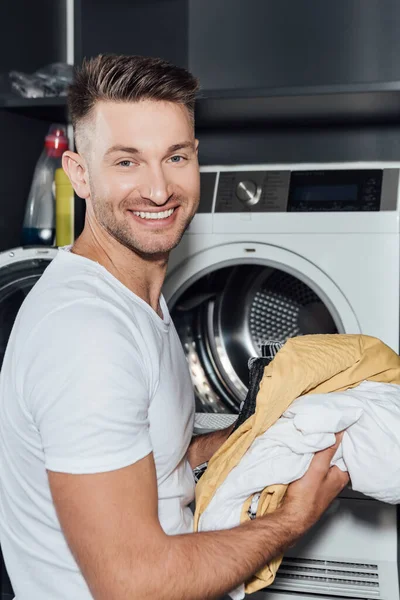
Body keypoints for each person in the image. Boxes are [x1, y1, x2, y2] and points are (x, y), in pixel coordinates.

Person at [0, 54, 348, 600]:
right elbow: (132, 584)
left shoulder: (136, 303)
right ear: (80, 175)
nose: (159, 190)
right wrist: (293, 519)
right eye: (127, 162)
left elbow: (146, 461)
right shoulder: (86, 334)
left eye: (175, 156)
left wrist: (240, 437)